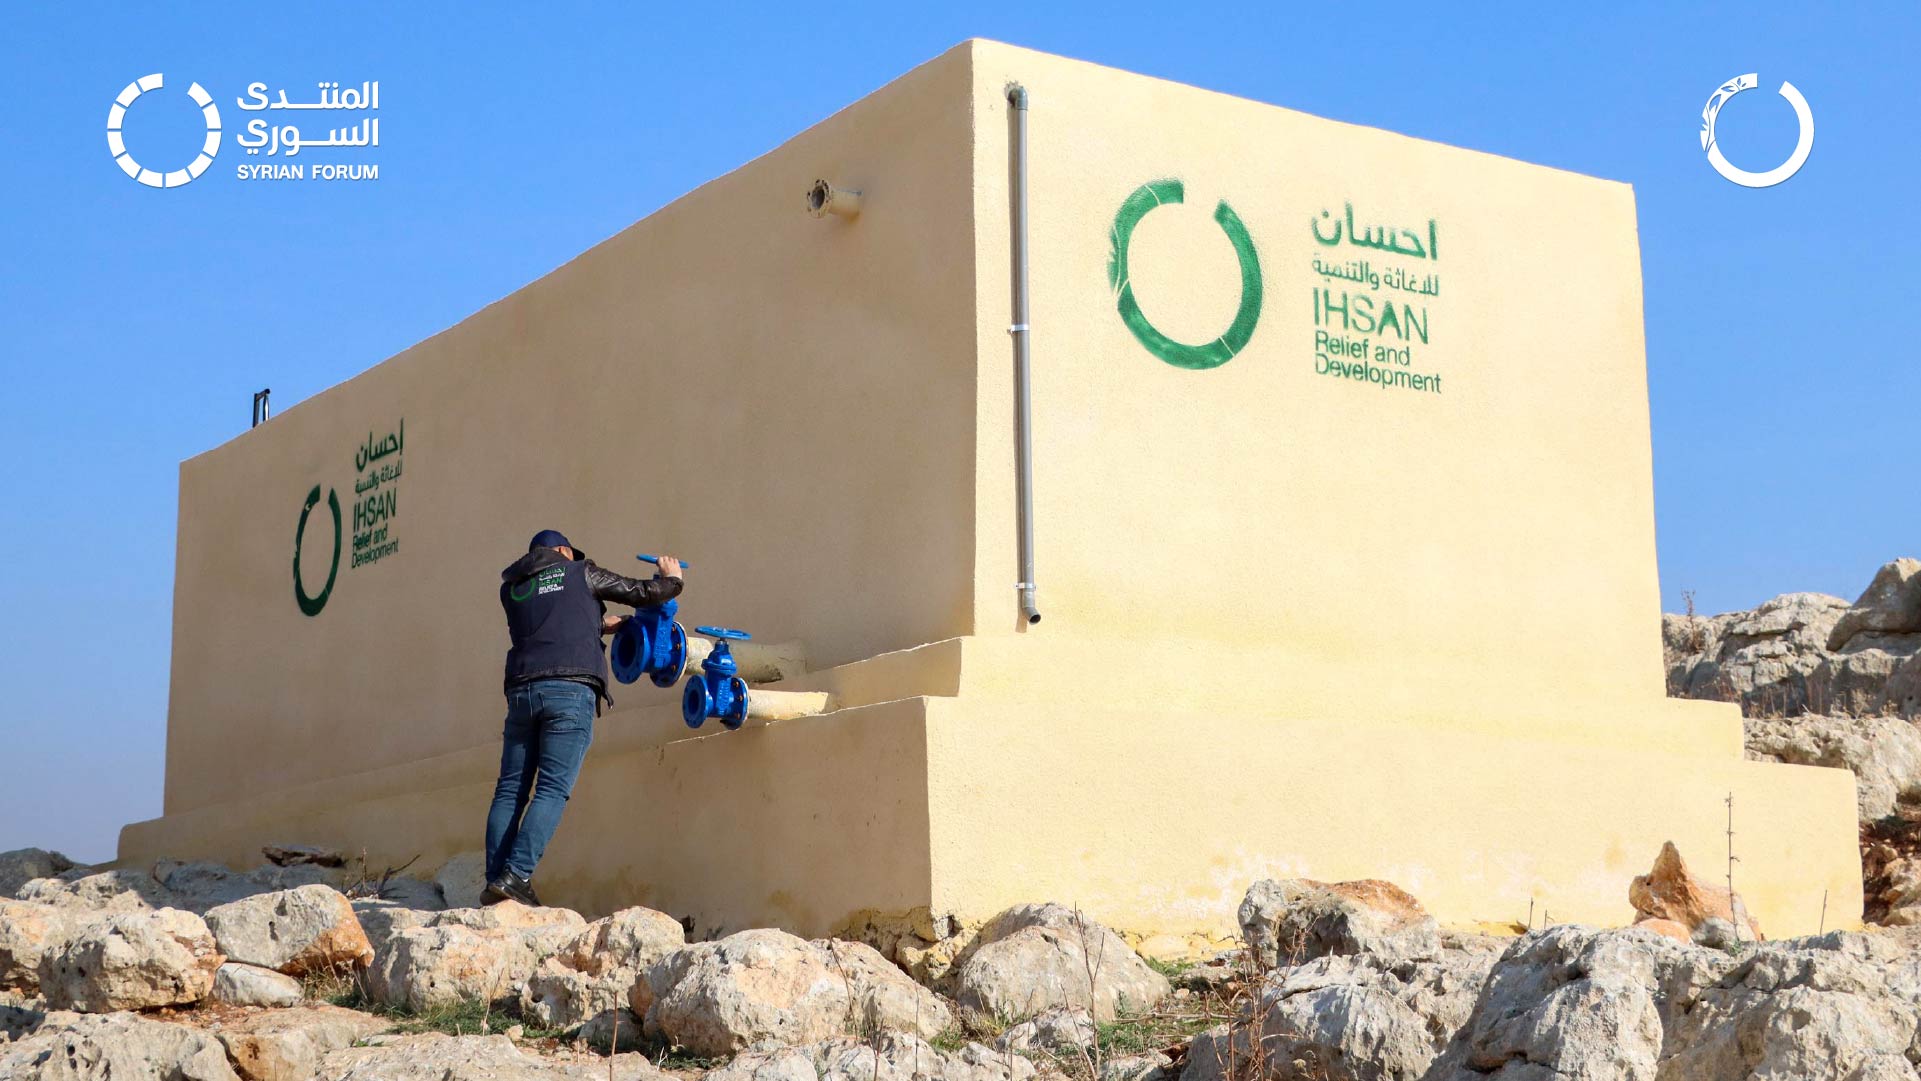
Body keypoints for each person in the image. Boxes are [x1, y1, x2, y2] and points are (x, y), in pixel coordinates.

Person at [482, 529, 685, 905]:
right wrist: (671, 579)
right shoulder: (580, 572)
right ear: (562, 550)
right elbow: (639, 591)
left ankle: (496, 878)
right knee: (552, 788)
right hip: (569, 690)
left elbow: (547, 622)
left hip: (522, 690)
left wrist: (597, 624)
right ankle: (517, 875)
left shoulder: (511, 589)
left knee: (510, 789)